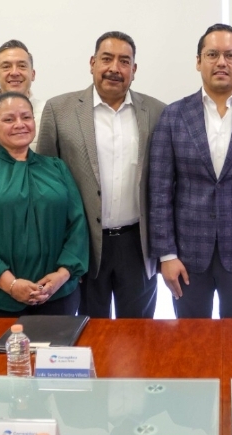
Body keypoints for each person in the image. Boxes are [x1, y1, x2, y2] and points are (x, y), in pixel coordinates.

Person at [148, 24, 232, 319]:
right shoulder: (173, 116)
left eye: (230, 55)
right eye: (212, 54)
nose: (221, 62)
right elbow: (159, 191)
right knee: (191, 343)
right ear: (198, 61)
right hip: (186, 256)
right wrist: (167, 255)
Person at [37, 31, 165, 318]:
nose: (114, 68)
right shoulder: (59, 110)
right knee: (88, 331)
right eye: (107, 59)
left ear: (134, 69)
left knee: (139, 334)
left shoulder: (157, 112)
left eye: (124, 61)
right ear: (92, 62)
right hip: (82, 244)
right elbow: (45, 185)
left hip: (137, 245)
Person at [0, 92, 89, 317]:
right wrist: (9, 283)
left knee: (56, 353)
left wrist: (63, 275)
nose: (20, 124)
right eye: (8, 119)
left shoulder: (57, 168)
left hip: (57, 296)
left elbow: (77, 225)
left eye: (26, 117)